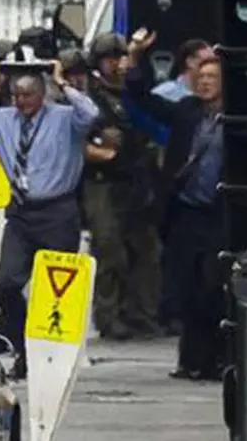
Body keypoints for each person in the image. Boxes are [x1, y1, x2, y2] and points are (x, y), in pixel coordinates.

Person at [0, 61, 99, 380]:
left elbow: (90, 115)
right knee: (7, 281)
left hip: (58, 210)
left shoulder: (64, 118)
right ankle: (20, 347)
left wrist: (63, 84)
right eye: (16, 94)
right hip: (21, 212)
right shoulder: (0, 120)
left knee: (54, 290)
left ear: (42, 93)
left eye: (29, 94)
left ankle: (52, 356)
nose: (22, 101)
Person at [124, 29, 225, 381]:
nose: (206, 83)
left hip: (220, 214)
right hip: (186, 212)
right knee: (187, 289)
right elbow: (143, 99)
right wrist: (135, 59)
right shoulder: (186, 111)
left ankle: (215, 359)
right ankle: (190, 360)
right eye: (201, 77)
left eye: (213, 77)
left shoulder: (239, 118)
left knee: (214, 286)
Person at [84, 33, 163, 340]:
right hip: (103, 181)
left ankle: (140, 312)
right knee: (109, 248)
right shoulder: (92, 98)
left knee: (146, 249)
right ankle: (108, 315)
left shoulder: (133, 94)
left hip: (136, 178)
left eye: (120, 58)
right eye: (109, 59)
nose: (115, 65)